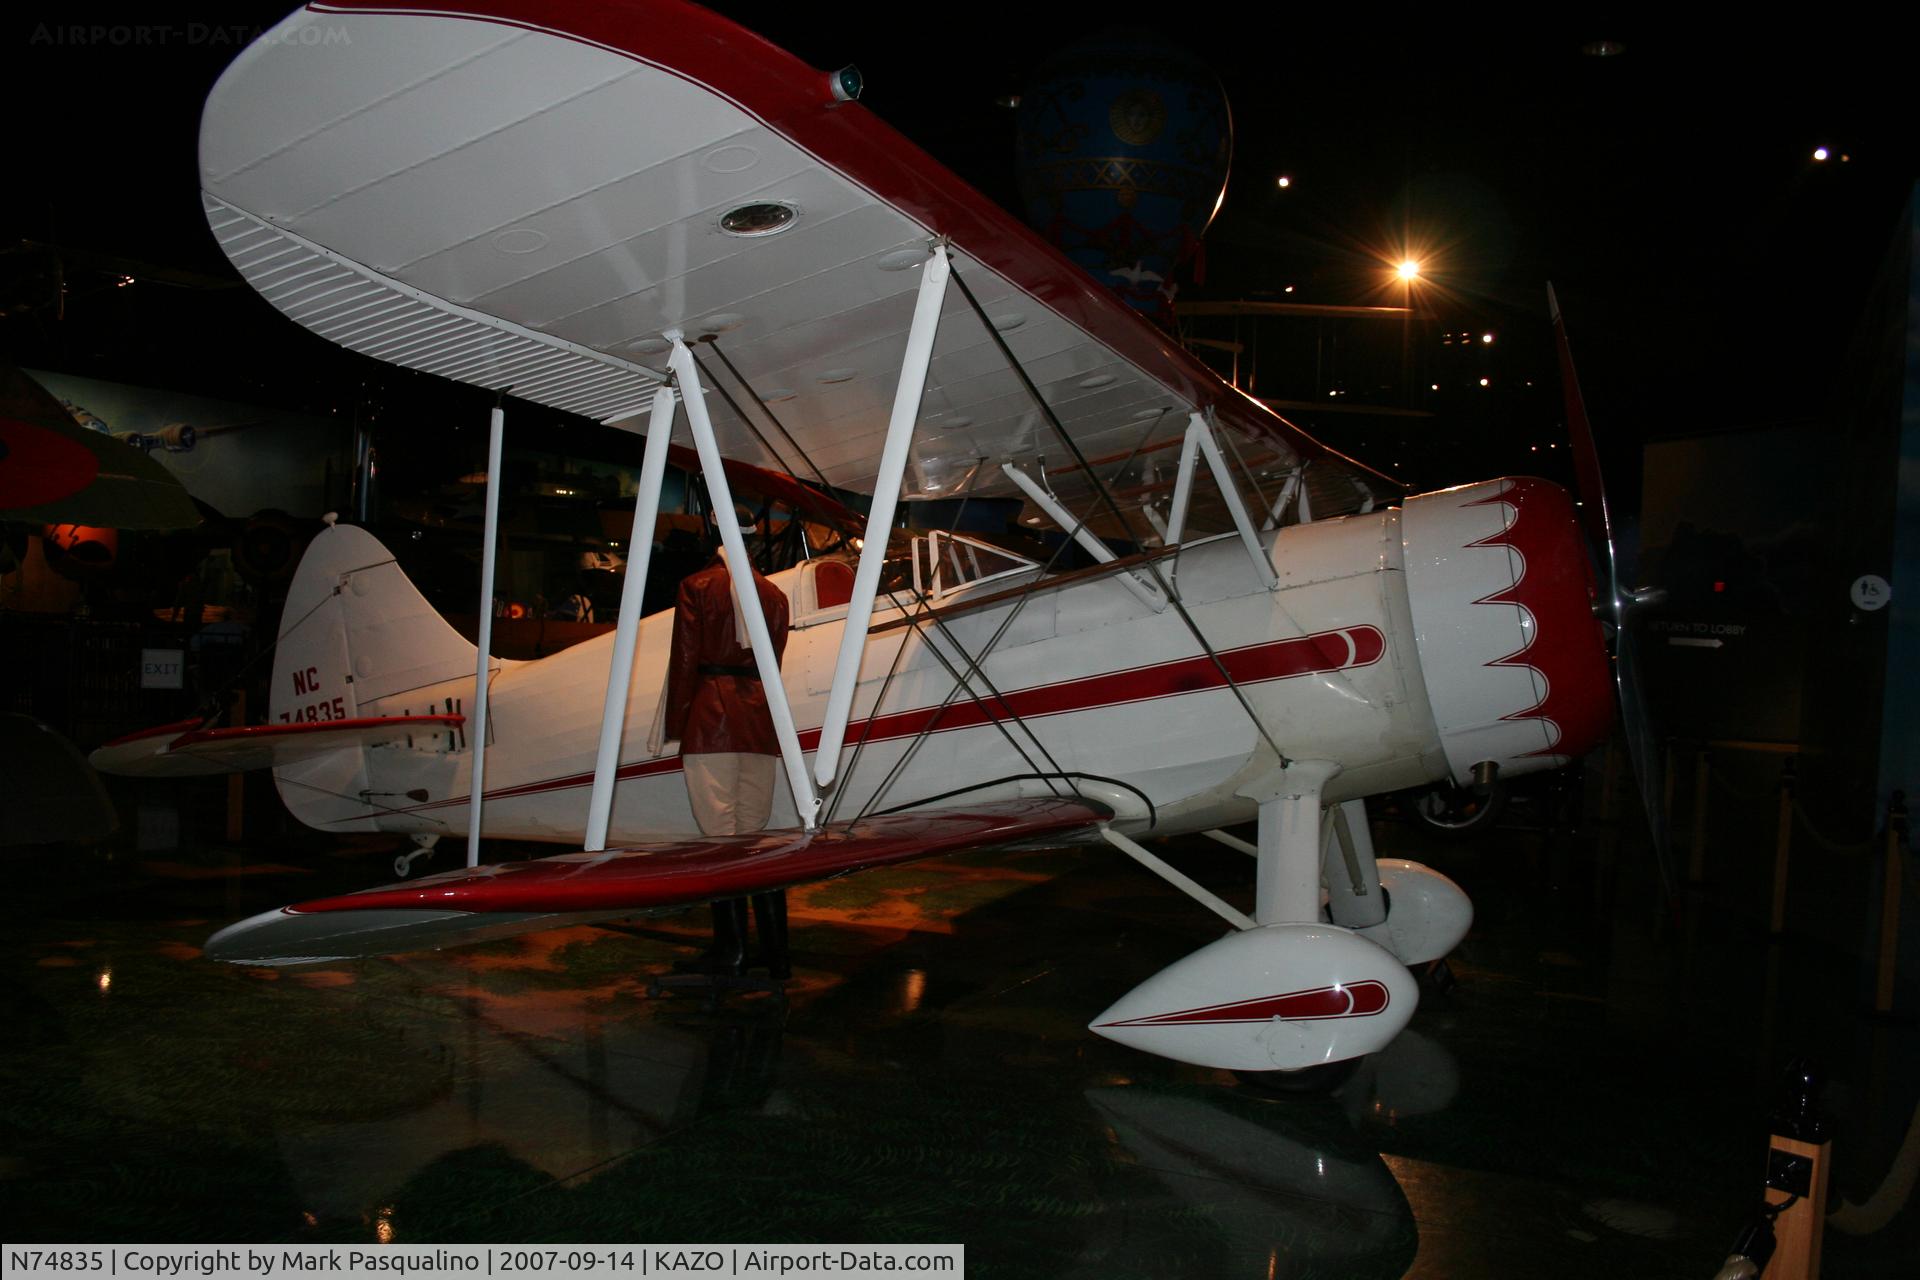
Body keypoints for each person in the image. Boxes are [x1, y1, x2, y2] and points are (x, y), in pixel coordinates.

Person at [663, 533, 791, 980]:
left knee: (720, 840)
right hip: (758, 718)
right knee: (755, 839)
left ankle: (731, 950)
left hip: (710, 718)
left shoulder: (696, 587)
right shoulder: (775, 595)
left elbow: (684, 659)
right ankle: (776, 954)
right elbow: (773, 661)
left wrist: (676, 723)